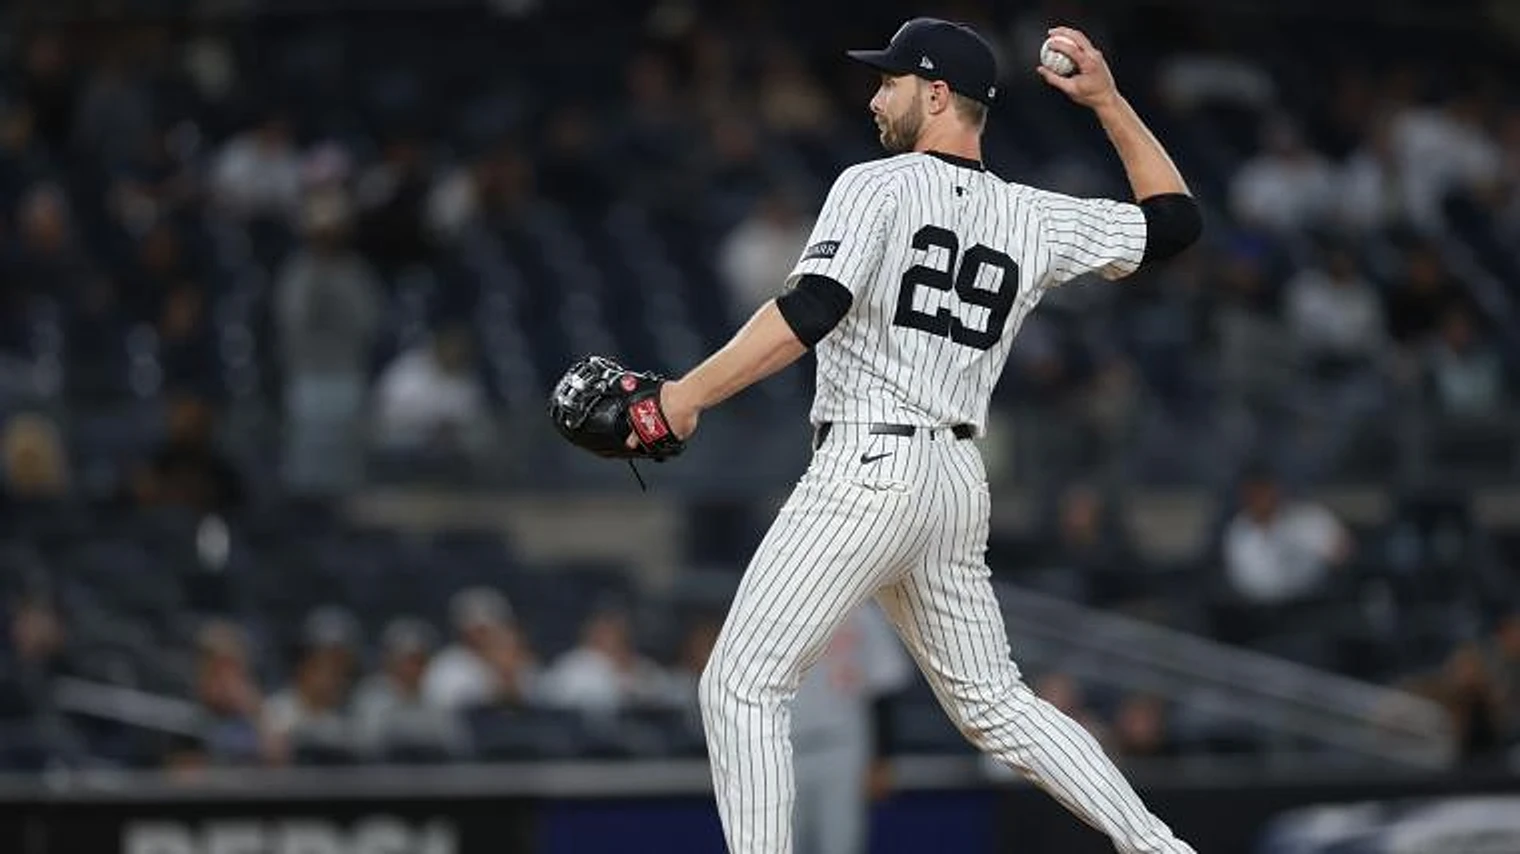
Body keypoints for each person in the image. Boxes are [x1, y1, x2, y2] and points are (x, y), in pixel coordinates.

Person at [641, 18, 1202, 854]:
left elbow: (811, 308)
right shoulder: (1031, 214)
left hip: (871, 463)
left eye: (890, 81)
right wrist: (1109, 102)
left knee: (740, 686)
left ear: (937, 94)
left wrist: (683, 396)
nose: (876, 97)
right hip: (954, 479)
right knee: (995, 703)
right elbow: (1174, 224)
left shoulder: (877, 184)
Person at [791, 603, 911, 854]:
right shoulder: (772, 604)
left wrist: (882, 758)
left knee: (841, 844)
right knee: (777, 843)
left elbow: (885, 685)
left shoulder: (861, 610)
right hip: (781, 745)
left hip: (842, 743)